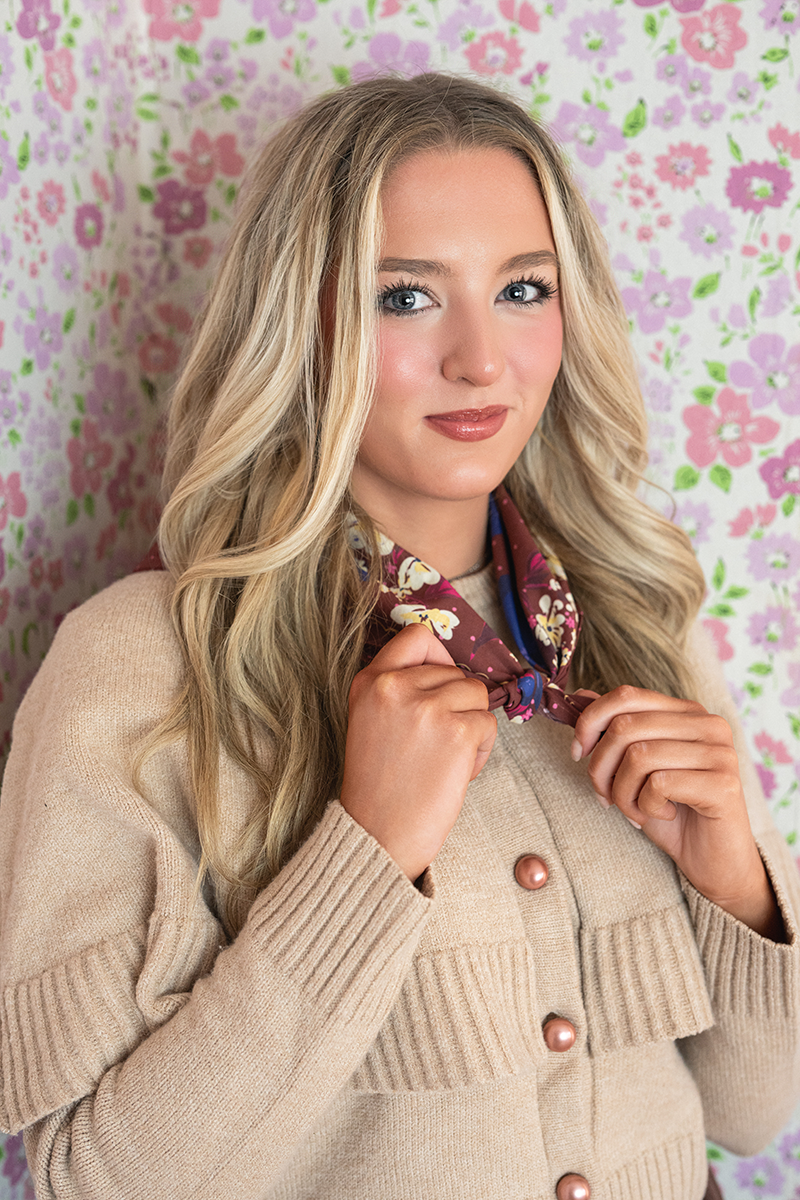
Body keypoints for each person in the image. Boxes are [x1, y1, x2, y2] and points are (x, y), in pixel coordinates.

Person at [0, 72, 797, 1200]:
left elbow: (751, 1116)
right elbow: (95, 1180)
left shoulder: (631, 614)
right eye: (406, 297)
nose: (481, 359)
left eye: (522, 289)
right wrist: (365, 855)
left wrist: (736, 887)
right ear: (299, 322)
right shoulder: (142, 669)